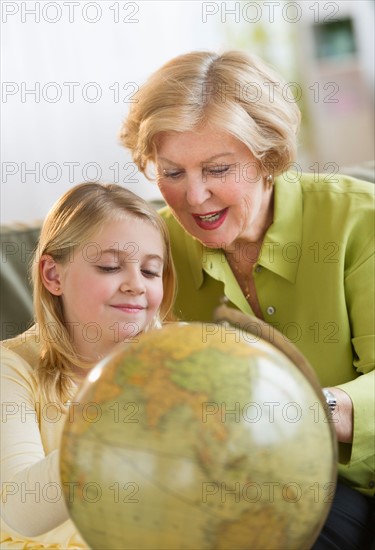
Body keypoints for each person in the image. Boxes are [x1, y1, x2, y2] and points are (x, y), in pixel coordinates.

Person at [121, 50, 375, 549]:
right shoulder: (153, 247)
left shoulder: (356, 221)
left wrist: (302, 408)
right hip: (268, 490)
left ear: (269, 158)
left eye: (217, 169)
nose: (195, 198)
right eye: (172, 173)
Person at [0, 182, 176, 548]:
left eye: (150, 271)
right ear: (53, 275)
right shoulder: (12, 368)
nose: (135, 285)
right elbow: (20, 510)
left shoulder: (176, 362)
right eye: (110, 266)